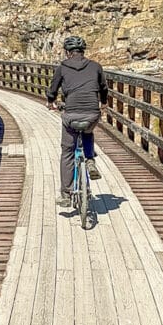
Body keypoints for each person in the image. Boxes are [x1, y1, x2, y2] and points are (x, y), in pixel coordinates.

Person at [46, 35, 108, 207]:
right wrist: (103, 104)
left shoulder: (62, 67)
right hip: (92, 113)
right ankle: (89, 160)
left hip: (71, 114)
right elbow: (103, 88)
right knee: (88, 129)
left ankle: (66, 194)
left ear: (67, 52)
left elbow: (53, 89)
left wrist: (50, 102)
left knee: (67, 152)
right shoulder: (96, 66)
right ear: (83, 51)